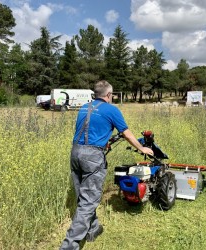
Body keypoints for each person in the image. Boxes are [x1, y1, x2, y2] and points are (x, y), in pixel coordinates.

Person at [60, 80, 154, 250]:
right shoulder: (112, 109)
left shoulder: (84, 107)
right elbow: (126, 134)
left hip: (75, 153)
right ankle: (69, 246)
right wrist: (142, 148)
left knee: (84, 196)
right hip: (92, 156)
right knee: (89, 201)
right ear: (109, 95)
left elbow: (88, 130)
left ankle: (93, 228)